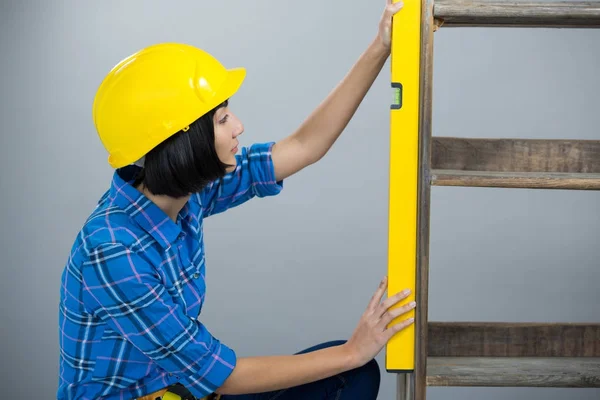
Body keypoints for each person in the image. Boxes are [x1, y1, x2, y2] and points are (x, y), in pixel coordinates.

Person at [57, 1, 416, 399]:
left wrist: (380, 46)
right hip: (174, 390)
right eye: (223, 119)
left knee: (353, 377)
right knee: (348, 364)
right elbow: (218, 375)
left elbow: (304, 145)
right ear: (182, 141)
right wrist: (351, 351)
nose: (239, 126)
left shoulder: (186, 192)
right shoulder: (112, 251)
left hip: (183, 392)